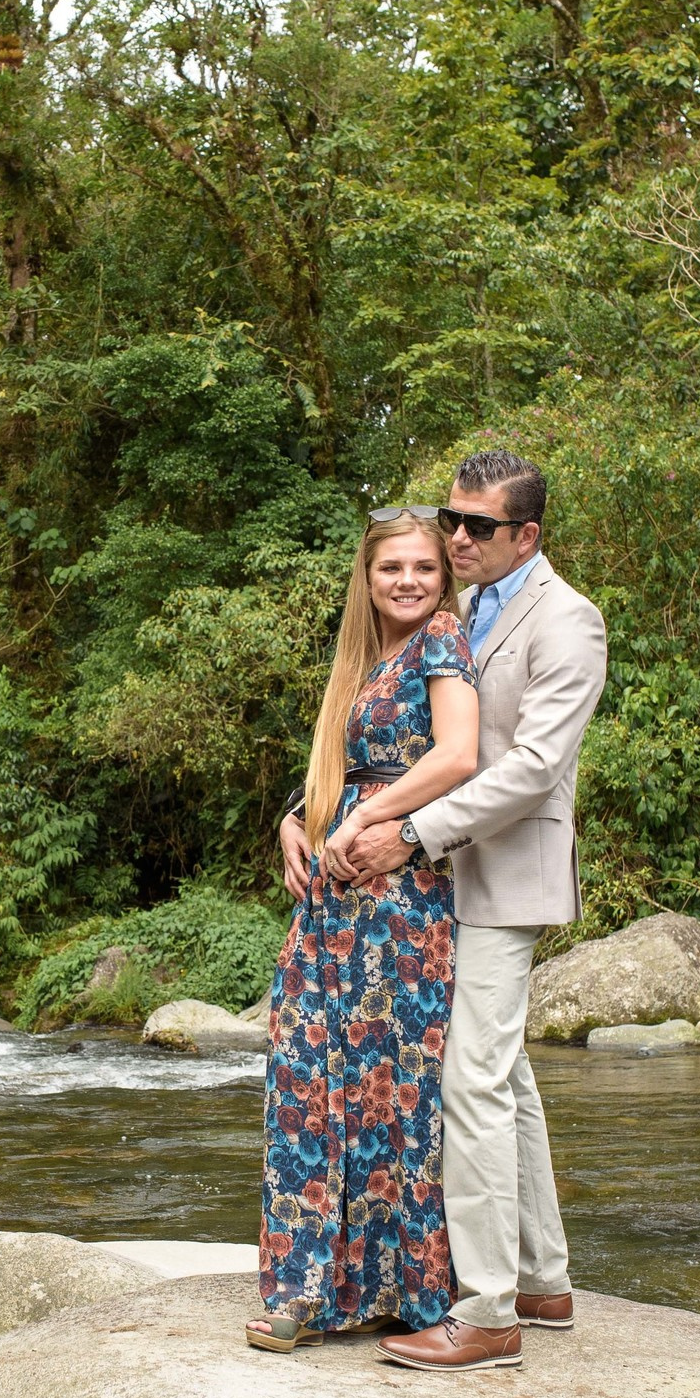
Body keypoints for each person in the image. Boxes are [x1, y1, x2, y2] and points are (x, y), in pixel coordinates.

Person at [304, 450, 607, 1374]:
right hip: (441, 880)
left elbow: (530, 770)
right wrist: (304, 812)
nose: (457, 536)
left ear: (529, 535)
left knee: (469, 1080)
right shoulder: (459, 608)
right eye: (453, 519)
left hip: (502, 875)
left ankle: (484, 1314)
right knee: (506, 1074)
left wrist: (413, 833)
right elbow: (385, 736)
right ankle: (542, 1279)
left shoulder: (568, 620)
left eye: (478, 526)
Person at [247, 509, 479, 1353]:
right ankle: (314, 1285)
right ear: (368, 577)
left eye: (425, 566)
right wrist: (294, 823)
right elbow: (338, 770)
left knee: (390, 1088)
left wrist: (366, 818)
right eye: (393, 568)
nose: (411, 580)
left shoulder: (441, 640)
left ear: (443, 577)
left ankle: (402, 1286)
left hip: (401, 904)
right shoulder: (362, 659)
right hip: (335, 901)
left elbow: (458, 755)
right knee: (311, 1074)